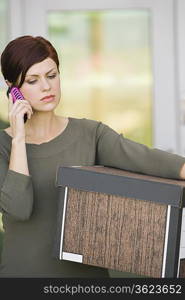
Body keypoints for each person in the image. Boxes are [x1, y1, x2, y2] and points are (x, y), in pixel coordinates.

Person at [0, 36, 185, 278]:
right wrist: (19, 139)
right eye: (33, 80)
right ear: (12, 88)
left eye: (52, 75)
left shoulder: (91, 134)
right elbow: (19, 209)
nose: (47, 87)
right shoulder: (4, 145)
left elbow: (149, 160)